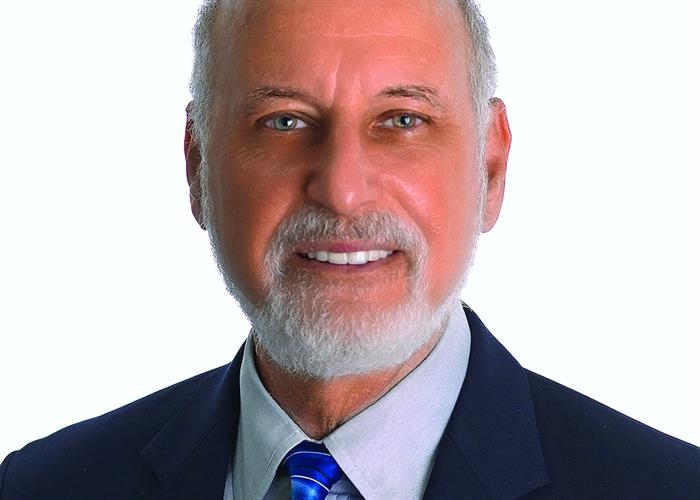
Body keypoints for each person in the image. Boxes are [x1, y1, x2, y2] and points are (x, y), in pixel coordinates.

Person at [1, 0, 698, 498]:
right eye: (284, 121)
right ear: (197, 166)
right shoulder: (38, 486)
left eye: (402, 120)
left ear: (489, 168)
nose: (341, 191)